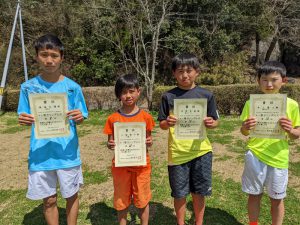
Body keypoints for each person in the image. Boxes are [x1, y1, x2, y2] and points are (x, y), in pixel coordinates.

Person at [17, 34, 88, 225]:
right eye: (44, 55)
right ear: (37, 56)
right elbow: (23, 115)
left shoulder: (73, 87)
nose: (49, 60)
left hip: (67, 152)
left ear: (62, 57)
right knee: (49, 200)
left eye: (54, 55)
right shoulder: (28, 88)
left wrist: (80, 117)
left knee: (71, 195)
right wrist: (23, 119)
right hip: (41, 154)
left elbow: (81, 116)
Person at [157, 52, 219, 225]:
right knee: (179, 193)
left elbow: (216, 122)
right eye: (180, 71)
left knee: (199, 192)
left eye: (189, 70)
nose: (184, 75)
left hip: (201, 151)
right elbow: (161, 124)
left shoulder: (206, 95)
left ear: (197, 72)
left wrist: (210, 123)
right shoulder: (168, 96)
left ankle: (199, 222)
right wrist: (167, 122)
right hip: (177, 153)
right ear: (174, 74)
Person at [240, 61, 300, 225]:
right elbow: (244, 132)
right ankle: (253, 223)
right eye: (265, 80)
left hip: (278, 157)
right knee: (254, 194)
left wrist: (290, 130)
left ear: (284, 81)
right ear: (258, 81)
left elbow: (296, 134)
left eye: (274, 79)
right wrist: (245, 127)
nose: (269, 84)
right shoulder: (250, 104)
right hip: (255, 155)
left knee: (277, 198)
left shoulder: (292, 105)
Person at [103, 74, 155, 225]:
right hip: (121, 166)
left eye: (131, 91)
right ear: (118, 95)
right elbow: (110, 142)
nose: (128, 95)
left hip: (141, 166)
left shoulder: (146, 117)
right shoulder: (113, 119)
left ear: (138, 92)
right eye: (124, 92)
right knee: (121, 199)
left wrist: (149, 142)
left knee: (143, 198)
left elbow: (148, 141)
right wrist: (110, 145)